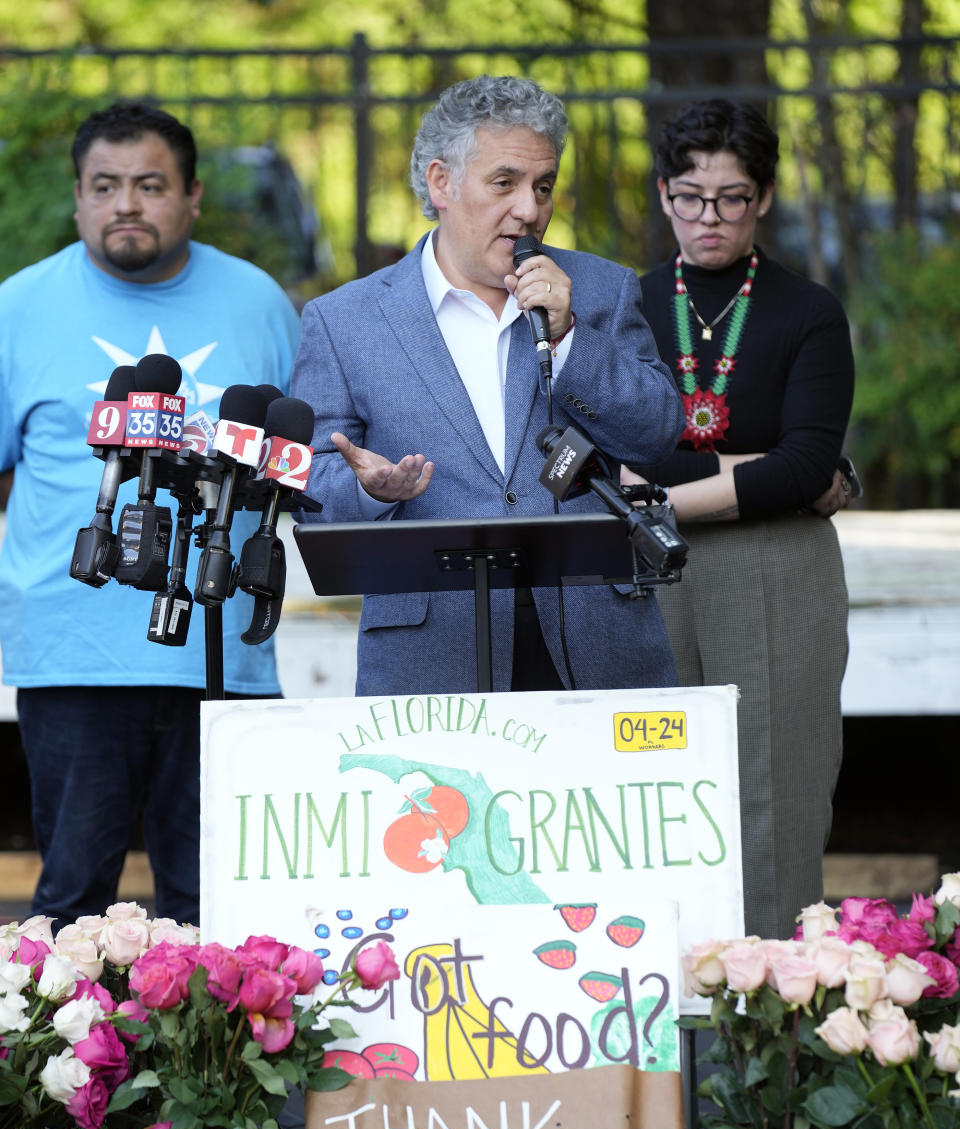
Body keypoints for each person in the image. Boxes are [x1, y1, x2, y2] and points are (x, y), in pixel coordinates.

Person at [0, 102, 300, 930]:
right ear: (77, 199)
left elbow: (296, 467)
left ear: (193, 195)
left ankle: (219, 1065)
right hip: (73, 656)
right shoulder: (18, 308)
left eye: (148, 184)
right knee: (71, 907)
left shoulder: (260, 302)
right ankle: (68, 1063)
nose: (125, 203)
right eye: (105, 186)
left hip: (221, 655)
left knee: (221, 908)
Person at [291, 74, 684, 696]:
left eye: (543, 186)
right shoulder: (345, 320)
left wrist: (570, 338)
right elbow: (306, 479)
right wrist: (371, 490)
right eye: (504, 182)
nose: (530, 209)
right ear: (441, 182)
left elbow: (659, 434)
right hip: (431, 654)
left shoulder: (601, 290)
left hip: (597, 641)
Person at [626, 98, 855, 939]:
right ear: (663, 194)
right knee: (650, 794)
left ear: (761, 197)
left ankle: (770, 1047)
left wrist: (655, 497)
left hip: (776, 569)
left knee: (773, 794)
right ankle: (659, 1053)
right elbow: (601, 454)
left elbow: (808, 466)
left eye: (730, 197)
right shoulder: (630, 305)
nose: (708, 218)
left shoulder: (808, 312)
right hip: (646, 576)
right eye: (690, 196)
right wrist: (763, 473)